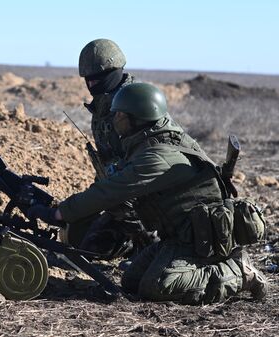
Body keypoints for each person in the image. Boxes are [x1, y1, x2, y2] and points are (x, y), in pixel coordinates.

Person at [29, 83, 267, 304]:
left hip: (201, 239)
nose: (115, 119)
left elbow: (109, 192)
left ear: (136, 118)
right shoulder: (155, 138)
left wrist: (62, 213)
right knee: (131, 281)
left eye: (120, 114)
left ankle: (240, 272)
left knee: (158, 287)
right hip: (180, 235)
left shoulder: (156, 156)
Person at [63, 38, 147, 258]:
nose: (91, 85)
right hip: (118, 201)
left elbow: (147, 169)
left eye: (97, 79)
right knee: (84, 242)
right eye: (87, 80)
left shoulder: (138, 106)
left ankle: (147, 244)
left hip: (149, 206)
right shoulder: (102, 108)